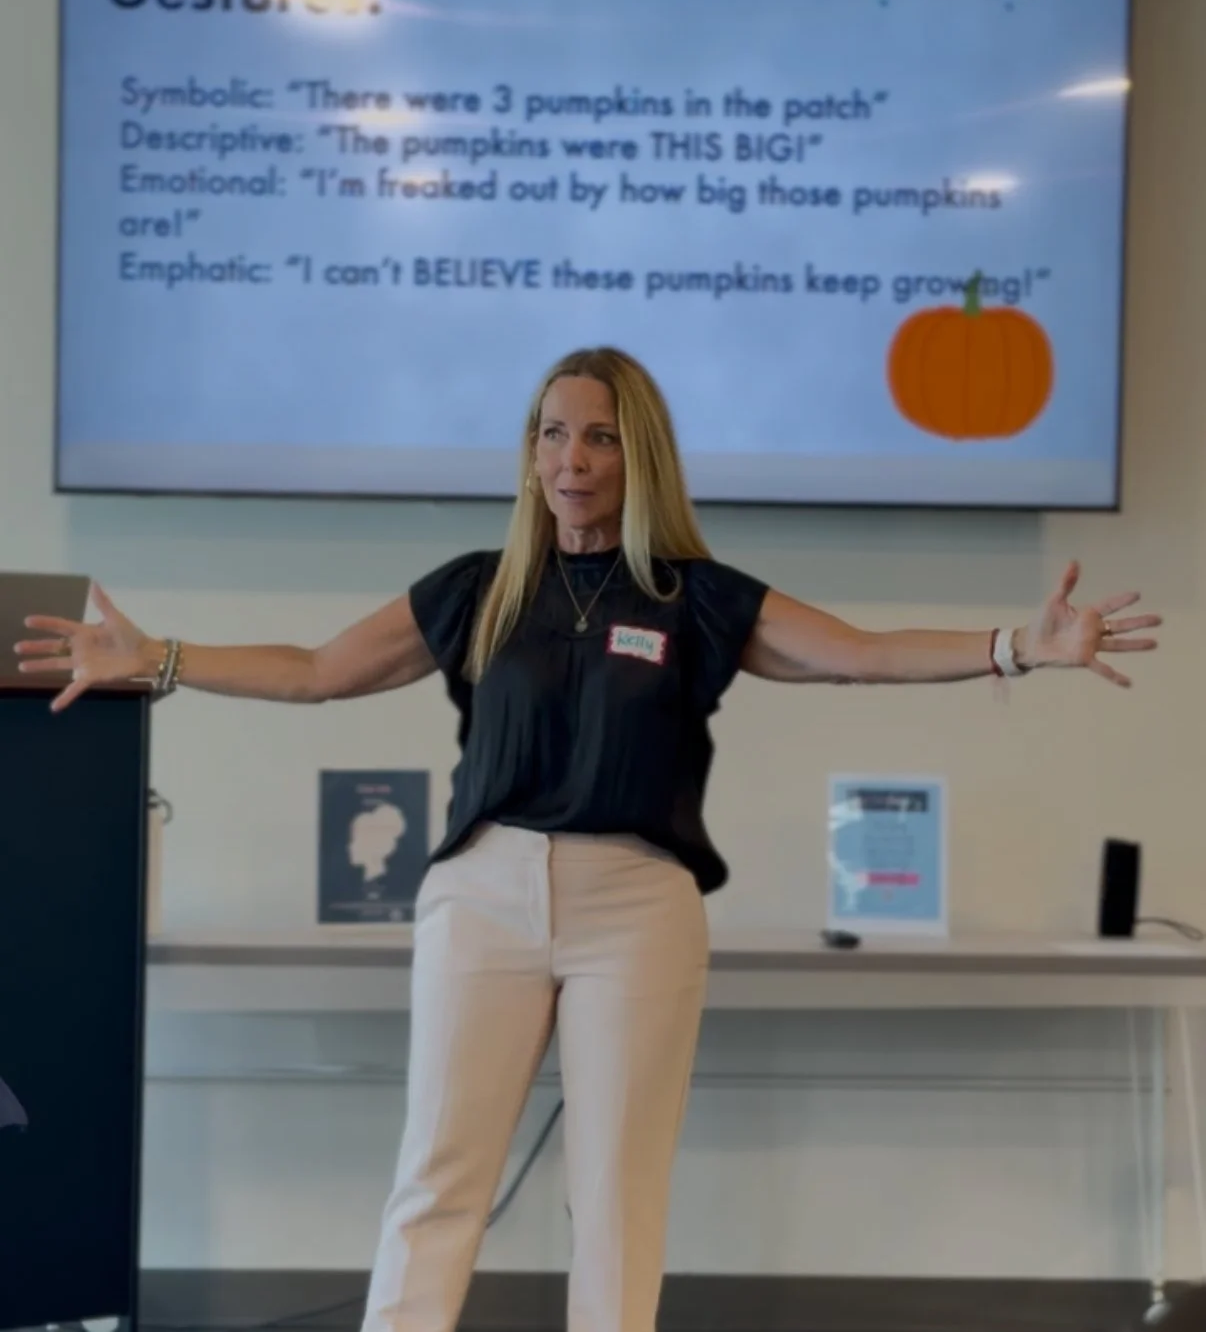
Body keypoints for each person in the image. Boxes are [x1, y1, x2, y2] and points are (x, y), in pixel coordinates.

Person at [15, 346, 1161, 1332]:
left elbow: (858, 652)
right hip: (483, 892)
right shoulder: (477, 589)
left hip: (638, 903)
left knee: (616, 1190)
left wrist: (1018, 644)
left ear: (638, 455)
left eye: (600, 436)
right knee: (440, 1174)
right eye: (552, 433)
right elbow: (317, 670)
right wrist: (160, 657)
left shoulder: (693, 596)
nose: (572, 457)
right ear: (529, 455)